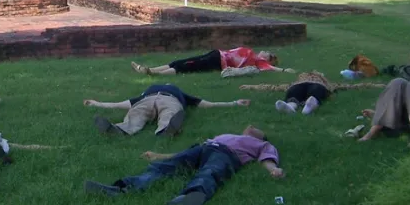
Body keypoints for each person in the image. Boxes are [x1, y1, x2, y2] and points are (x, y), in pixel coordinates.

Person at [84, 125, 284, 205]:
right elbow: (180, 155)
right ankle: (122, 188)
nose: (250, 127)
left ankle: (191, 197)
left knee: (211, 171)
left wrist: (273, 169)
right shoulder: (227, 135)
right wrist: (159, 155)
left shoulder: (261, 144)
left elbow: (267, 158)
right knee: (165, 167)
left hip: (226, 155)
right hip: (204, 147)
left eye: (254, 129)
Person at [84, 83, 250, 137]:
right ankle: (119, 129)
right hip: (147, 100)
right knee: (135, 113)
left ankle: (166, 129)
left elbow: (206, 104)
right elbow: (124, 103)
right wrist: (97, 104)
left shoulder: (178, 91)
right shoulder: (148, 90)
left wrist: (234, 103)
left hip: (171, 100)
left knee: (170, 113)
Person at [238, 71, 384, 116]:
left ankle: (309, 105)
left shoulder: (327, 83)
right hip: (298, 86)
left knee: (315, 92)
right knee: (293, 92)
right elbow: (273, 87)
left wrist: (375, 85)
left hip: (319, 86)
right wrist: (252, 86)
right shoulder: (296, 82)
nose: (312, 74)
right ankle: (290, 107)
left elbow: (351, 86)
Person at [131, 47, 291, 79]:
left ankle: (154, 74)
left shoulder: (260, 62)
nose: (265, 52)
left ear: (267, 59)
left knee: (187, 66)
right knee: (180, 61)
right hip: (217, 53)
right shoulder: (253, 53)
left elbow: (272, 68)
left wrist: (285, 71)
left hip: (219, 62)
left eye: (269, 54)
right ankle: (150, 69)